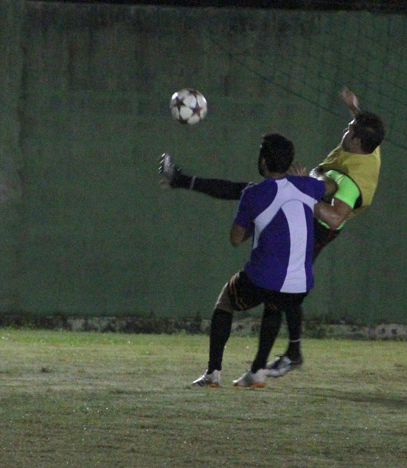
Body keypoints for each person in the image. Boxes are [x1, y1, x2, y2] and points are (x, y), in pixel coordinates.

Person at [161, 87, 385, 378]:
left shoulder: (353, 180)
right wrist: (354, 108)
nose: (346, 128)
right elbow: (365, 130)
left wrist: (299, 194)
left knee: (282, 286)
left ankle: (289, 354)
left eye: (350, 128)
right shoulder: (369, 147)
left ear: (356, 141)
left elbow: (334, 217)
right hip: (306, 199)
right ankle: (265, 366)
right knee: (281, 286)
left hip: (318, 226)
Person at [190, 133, 326, 388]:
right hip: (301, 285)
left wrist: (258, 221)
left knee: (225, 302)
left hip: (262, 278)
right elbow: (332, 186)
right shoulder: (309, 186)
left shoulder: (254, 194)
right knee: (274, 306)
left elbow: (235, 238)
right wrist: (309, 178)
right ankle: (257, 372)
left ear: (263, 161)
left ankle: (213, 373)